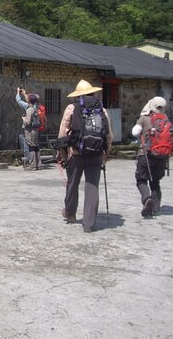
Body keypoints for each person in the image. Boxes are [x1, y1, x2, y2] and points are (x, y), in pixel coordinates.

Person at [57, 79, 112, 233]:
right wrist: (105, 154)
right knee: (92, 186)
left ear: (77, 95)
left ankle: (70, 213)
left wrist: (62, 154)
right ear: (93, 93)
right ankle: (88, 223)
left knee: (72, 183)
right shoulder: (101, 109)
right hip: (95, 153)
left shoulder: (71, 108)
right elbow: (108, 134)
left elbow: (62, 132)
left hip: (76, 153)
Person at [131, 97, 169, 217]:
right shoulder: (166, 119)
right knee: (155, 182)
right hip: (162, 156)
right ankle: (156, 208)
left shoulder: (145, 118)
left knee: (141, 179)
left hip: (146, 154)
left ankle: (147, 199)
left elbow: (135, 132)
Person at [16, 88, 41, 170]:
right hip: (36, 130)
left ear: (29, 101)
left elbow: (28, 122)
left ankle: (33, 165)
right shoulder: (36, 106)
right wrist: (24, 93)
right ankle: (38, 164)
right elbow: (33, 98)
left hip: (30, 130)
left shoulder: (29, 109)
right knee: (36, 146)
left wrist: (23, 119)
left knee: (31, 146)